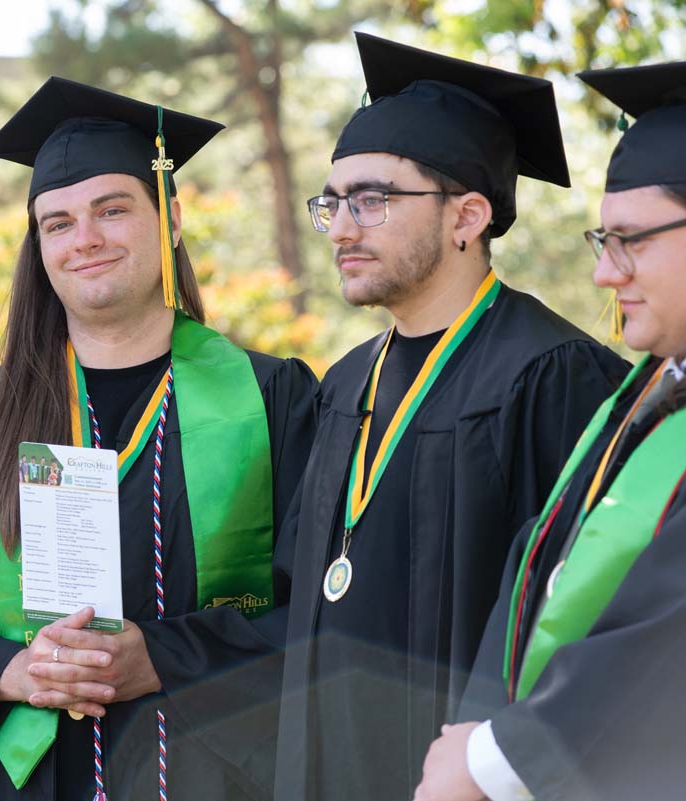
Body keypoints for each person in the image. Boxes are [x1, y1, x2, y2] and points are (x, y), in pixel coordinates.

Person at [0, 77, 319, 801]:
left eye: (112, 209)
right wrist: (14, 670)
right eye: (58, 223)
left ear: (170, 219)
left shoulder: (271, 402)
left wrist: (161, 658)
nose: (86, 238)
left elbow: (327, 607)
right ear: (38, 248)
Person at [273, 34, 629, 801]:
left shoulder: (552, 376)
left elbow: (587, 615)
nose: (339, 228)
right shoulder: (343, 387)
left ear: (467, 216)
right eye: (330, 203)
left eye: (371, 200)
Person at [415, 59, 686, 801]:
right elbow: (536, 570)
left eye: (631, 239)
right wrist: (476, 734)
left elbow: (669, 630)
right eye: (606, 240)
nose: (606, 273)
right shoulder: (646, 394)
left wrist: (494, 757)